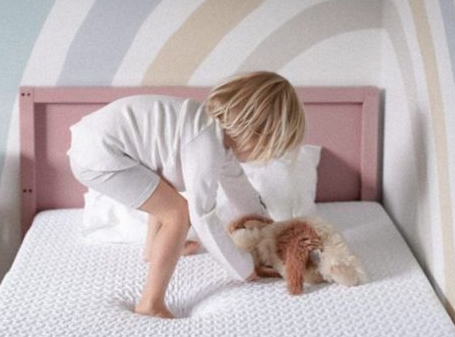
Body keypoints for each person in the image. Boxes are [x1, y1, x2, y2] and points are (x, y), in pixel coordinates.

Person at [67, 72, 306, 318]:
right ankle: (151, 303)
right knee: (177, 213)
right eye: (270, 148)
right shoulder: (206, 140)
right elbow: (202, 215)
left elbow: (240, 189)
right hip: (100, 153)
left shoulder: (213, 134)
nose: (265, 156)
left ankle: (153, 249)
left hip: (97, 143)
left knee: (162, 192)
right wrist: (245, 269)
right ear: (258, 133)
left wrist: (272, 234)